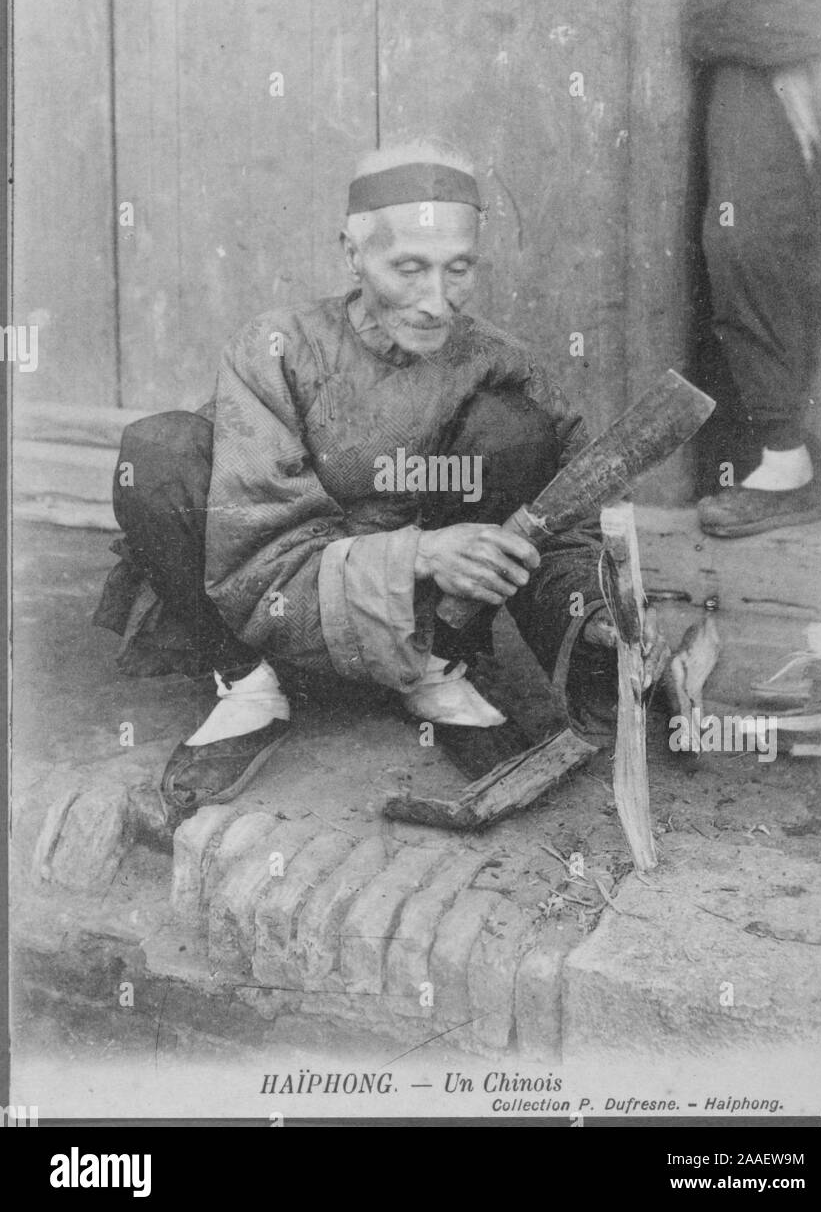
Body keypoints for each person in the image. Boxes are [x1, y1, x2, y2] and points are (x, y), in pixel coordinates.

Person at [95, 142, 668, 813]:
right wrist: (420, 552)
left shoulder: (500, 364)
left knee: (515, 428)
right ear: (351, 254)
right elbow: (254, 540)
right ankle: (251, 687)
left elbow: (562, 521)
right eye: (408, 269)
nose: (435, 301)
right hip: (273, 607)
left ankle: (431, 672)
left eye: (458, 270)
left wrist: (595, 611)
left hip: (418, 618)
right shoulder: (275, 348)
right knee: (158, 451)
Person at [690, 0, 821, 538]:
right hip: (751, 24)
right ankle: (788, 458)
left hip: (816, 12)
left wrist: (809, 36)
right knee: (742, 234)